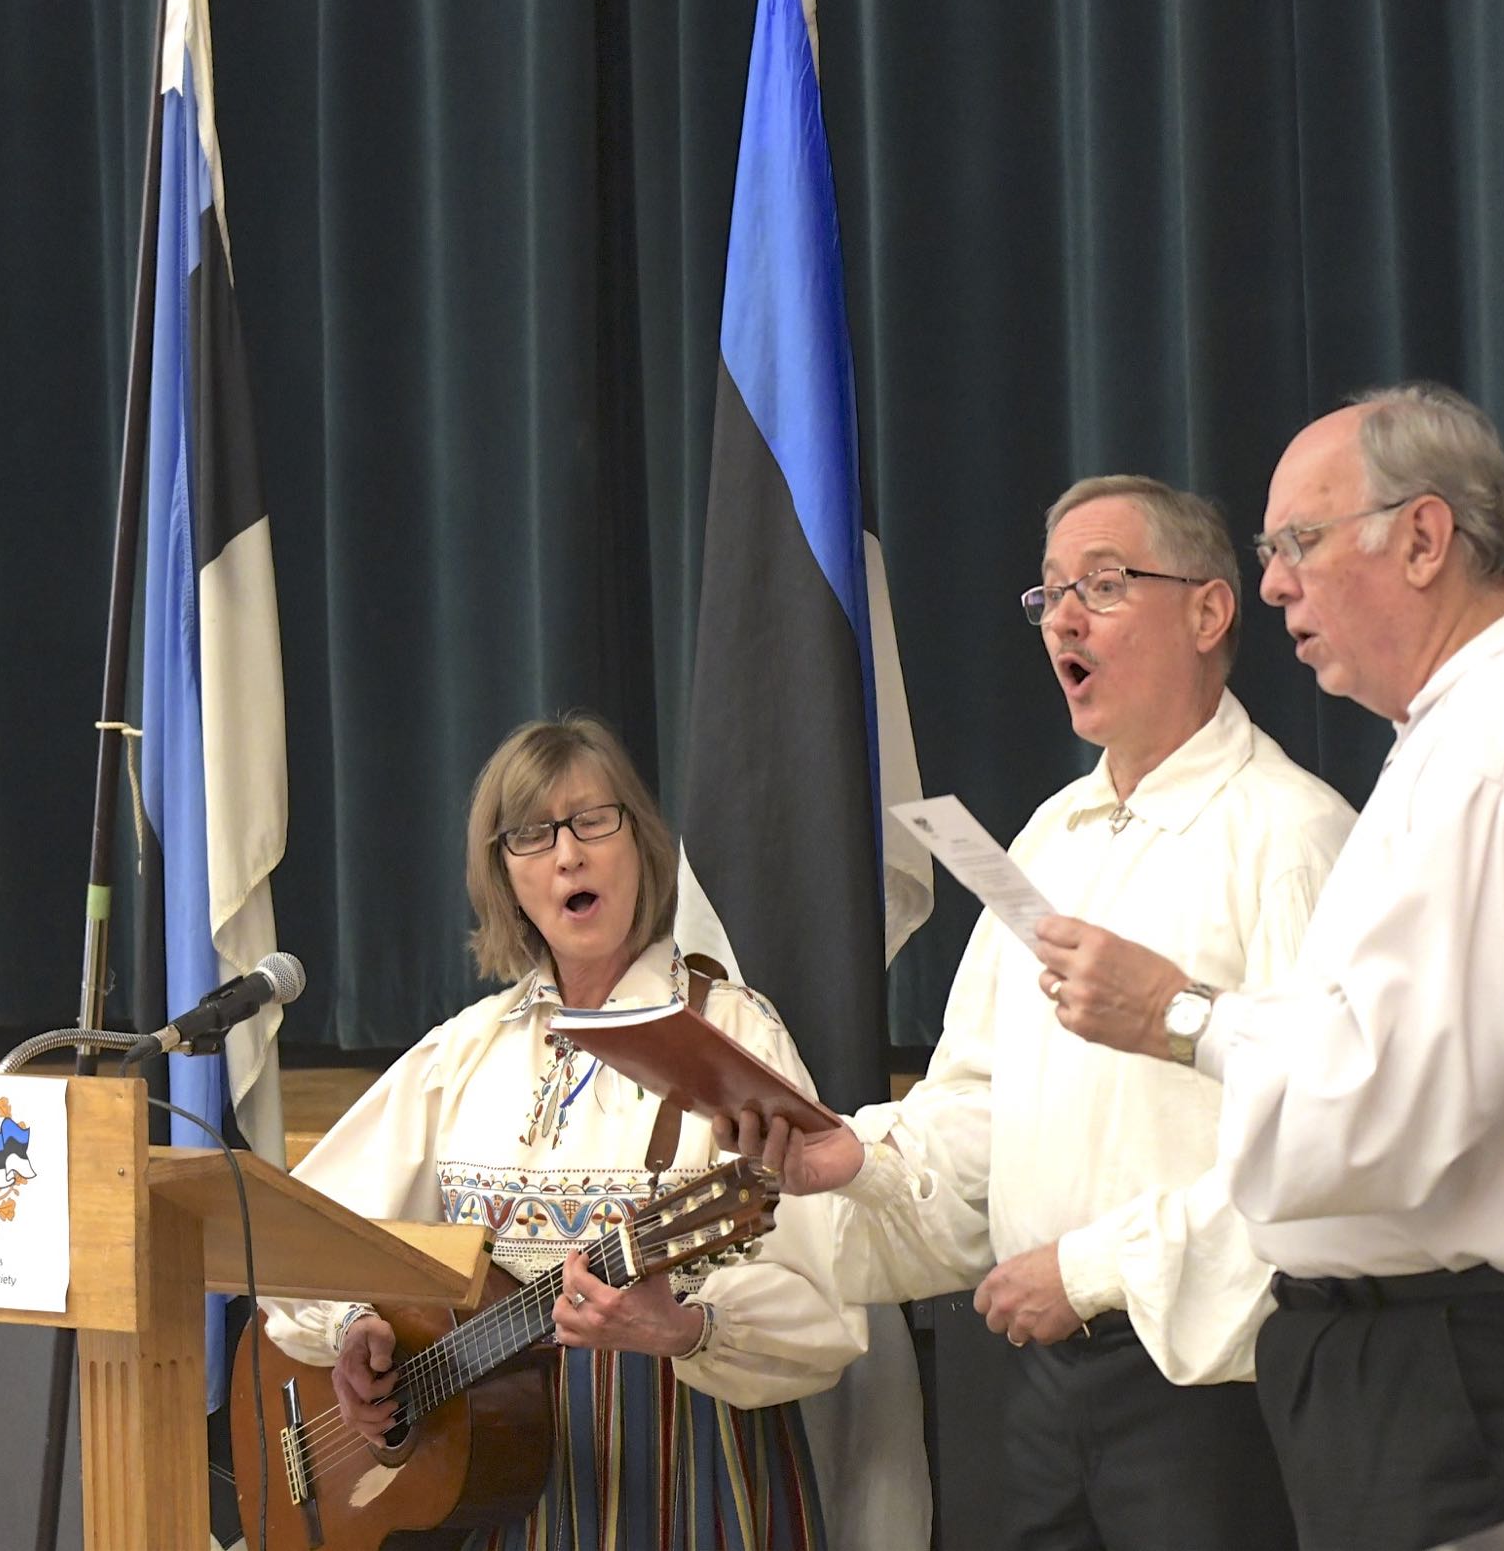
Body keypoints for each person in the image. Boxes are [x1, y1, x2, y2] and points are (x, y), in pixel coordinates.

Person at [1042, 385, 1504, 1551]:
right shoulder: (1476, 728)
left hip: (1491, 1382)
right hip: (1469, 1373)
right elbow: (1388, 1046)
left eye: (1297, 543)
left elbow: (1392, 1103)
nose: (1273, 585)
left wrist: (1181, 1016)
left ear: (1422, 539)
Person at [732, 476, 1355, 1551]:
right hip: (1024, 1386)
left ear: (1209, 612)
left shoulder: (1289, 835)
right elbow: (980, 1098)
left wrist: (1089, 1272)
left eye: (1103, 586)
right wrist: (859, 1159)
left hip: (1204, 1395)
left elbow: (1320, 1152)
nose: (1063, 619)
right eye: (1049, 593)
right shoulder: (1049, 837)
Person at [263, 713, 865, 1551]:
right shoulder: (466, 1050)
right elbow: (300, 1236)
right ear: (506, 879)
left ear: (640, 843)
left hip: (689, 1481)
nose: (568, 854)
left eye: (593, 821)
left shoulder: (732, 1035)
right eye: (533, 835)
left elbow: (825, 1306)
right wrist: (356, 1330)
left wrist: (687, 1329)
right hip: (501, 1490)